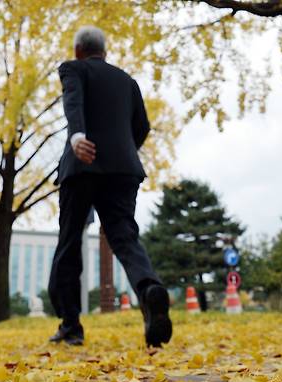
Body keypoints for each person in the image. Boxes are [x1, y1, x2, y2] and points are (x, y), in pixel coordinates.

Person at [48, 26, 172, 347]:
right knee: (124, 236)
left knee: (70, 241)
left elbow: (72, 102)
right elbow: (142, 126)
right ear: (105, 51)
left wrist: (78, 137)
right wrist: (124, 150)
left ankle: (71, 324)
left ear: (78, 50)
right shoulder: (127, 82)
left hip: (82, 165)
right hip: (123, 170)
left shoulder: (72, 69)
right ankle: (148, 290)